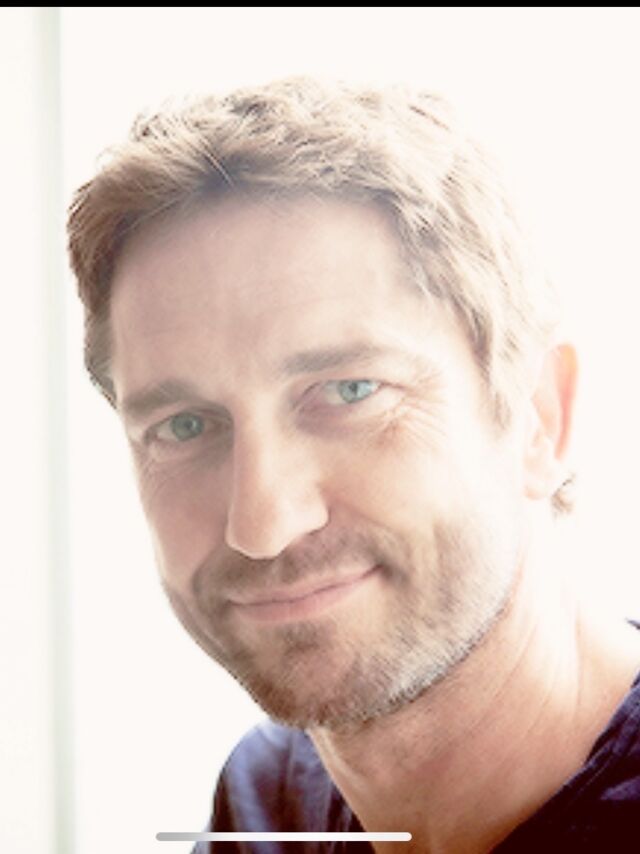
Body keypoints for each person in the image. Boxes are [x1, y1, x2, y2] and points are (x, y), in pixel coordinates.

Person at [67, 77, 640, 852]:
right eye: (186, 426)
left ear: (539, 417)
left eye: (349, 390)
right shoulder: (268, 804)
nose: (263, 524)